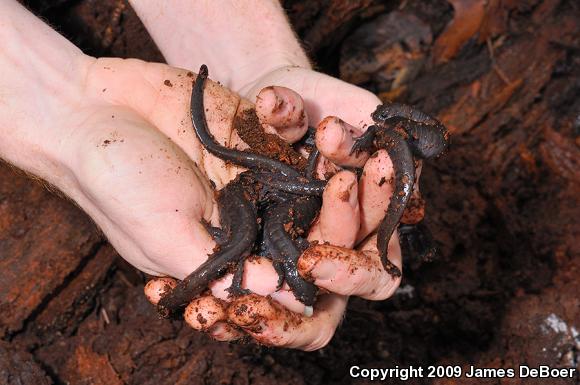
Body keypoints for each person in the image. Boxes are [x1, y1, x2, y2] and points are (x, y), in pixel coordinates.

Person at [0, 0, 410, 350]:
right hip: (248, 196)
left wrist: (253, 64)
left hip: (248, 194)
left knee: (253, 231)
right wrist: (66, 111)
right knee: (253, 233)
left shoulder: (264, 229)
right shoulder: (269, 233)